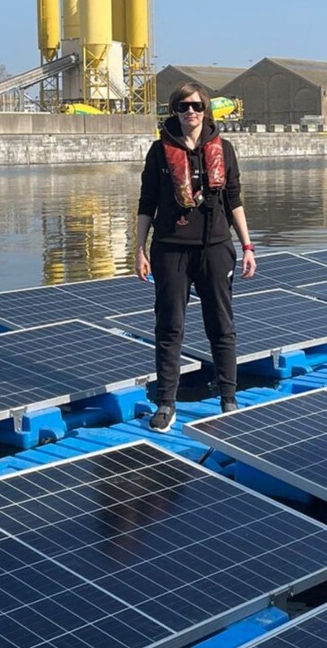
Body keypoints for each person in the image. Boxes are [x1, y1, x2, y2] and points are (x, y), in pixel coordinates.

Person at [134, 82, 256, 433]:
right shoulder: (159, 151)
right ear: (175, 111)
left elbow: (234, 199)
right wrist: (139, 248)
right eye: (184, 107)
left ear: (206, 111)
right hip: (170, 249)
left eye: (197, 106)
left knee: (221, 325)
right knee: (170, 326)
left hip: (215, 249)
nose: (191, 112)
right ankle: (166, 403)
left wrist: (247, 247)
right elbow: (147, 203)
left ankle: (228, 398)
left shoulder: (225, 149)